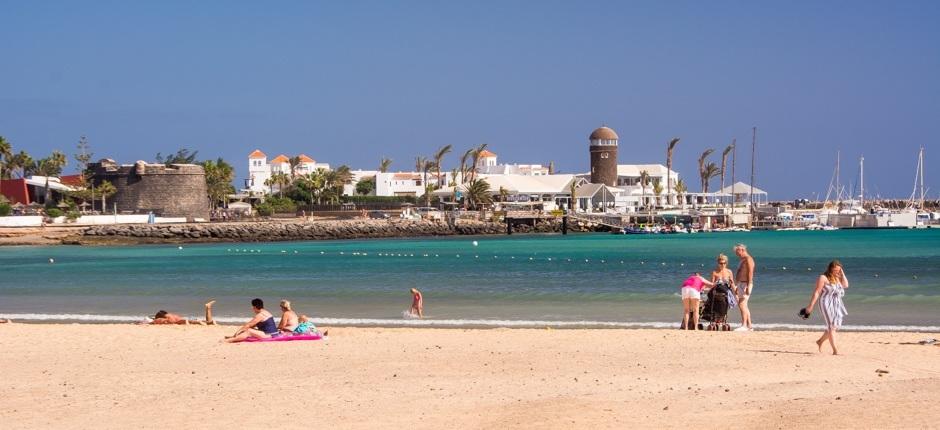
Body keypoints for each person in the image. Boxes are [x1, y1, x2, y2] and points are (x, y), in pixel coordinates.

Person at [803, 260, 849, 355]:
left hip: (836, 303)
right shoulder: (823, 277)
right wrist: (811, 306)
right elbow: (817, 292)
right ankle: (835, 350)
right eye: (835, 270)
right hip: (825, 303)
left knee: (835, 326)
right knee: (832, 326)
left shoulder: (837, 277)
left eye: (839, 270)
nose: (837, 272)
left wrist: (842, 273)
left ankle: (819, 341)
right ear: (830, 269)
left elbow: (846, 285)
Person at [734, 243, 756, 331]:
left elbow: (750, 273)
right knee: (744, 305)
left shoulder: (748, 259)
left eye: (737, 252)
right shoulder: (743, 259)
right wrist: (736, 285)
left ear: (742, 250)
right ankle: (749, 325)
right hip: (741, 284)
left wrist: (748, 285)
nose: (737, 255)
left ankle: (744, 325)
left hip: (745, 283)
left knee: (742, 304)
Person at [149, 300, 217, 325]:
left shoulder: (166, 318)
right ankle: (208, 308)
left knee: (208, 323)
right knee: (209, 322)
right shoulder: (170, 314)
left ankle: (208, 307)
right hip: (189, 318)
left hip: (187, 320)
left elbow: (181, 321)